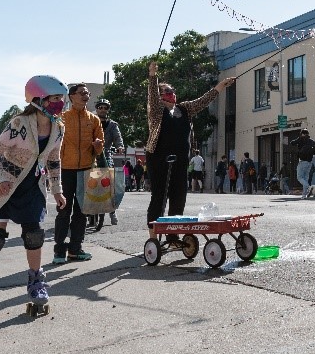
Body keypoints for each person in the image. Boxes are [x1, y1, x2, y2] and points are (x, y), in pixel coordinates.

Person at [0, 75, 67, 321]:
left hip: (32, 186)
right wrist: (0, 179)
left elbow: (54, 159)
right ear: (38, 99)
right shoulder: (20, 123)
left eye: (61, 99)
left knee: (34, 235)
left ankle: (36, 283)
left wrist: (57, 189)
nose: (60, 104)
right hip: (7, 187)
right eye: (55, 99)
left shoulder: (59, 128)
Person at [144, 61, 234, 241]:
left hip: (181, 160)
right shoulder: (156, 110)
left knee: (179, 197)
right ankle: (154, 237)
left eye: (172, 91)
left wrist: (220, 86)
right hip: (158, 159)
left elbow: (203, 101)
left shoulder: (184, 109)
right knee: (159, 197)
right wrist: (153, 76)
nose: (172, 94)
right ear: (161, 96)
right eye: (167, 91)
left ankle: (172, 237)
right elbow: (153, 96)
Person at [54, 83, 103, 264]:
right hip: (65, 169)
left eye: (87, 93)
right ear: (71, 96)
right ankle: (59, 250)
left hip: (86, 170)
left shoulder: (94, 119)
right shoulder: (61, 118)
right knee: (63, 211)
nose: (86, 96)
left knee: (82, 212)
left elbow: (100, 146)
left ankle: (75, 249)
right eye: (82, 93)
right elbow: (54, 145)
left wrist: (98, 146)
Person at [95, 98, 125, 225]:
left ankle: (112, 211)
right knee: (85, 180)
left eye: (105, 107)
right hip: (90, 154)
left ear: (108, 110)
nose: (102, 109)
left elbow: (118, 138)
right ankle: (84, 210)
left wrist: (120, 146)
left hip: (106, 153)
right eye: (100, 107)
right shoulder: (91, 121)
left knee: (110, 183)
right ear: (96, 109)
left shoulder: (113, 125)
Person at [292, 129, 315, 198]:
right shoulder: (312, 141)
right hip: (309, 162)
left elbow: (292, 143)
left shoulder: (301, 139)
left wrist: (299, 138)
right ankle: (304, 195)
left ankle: (309, 187)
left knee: (300, 177)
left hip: (302, 161)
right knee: (305, 178)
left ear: (302, 134)